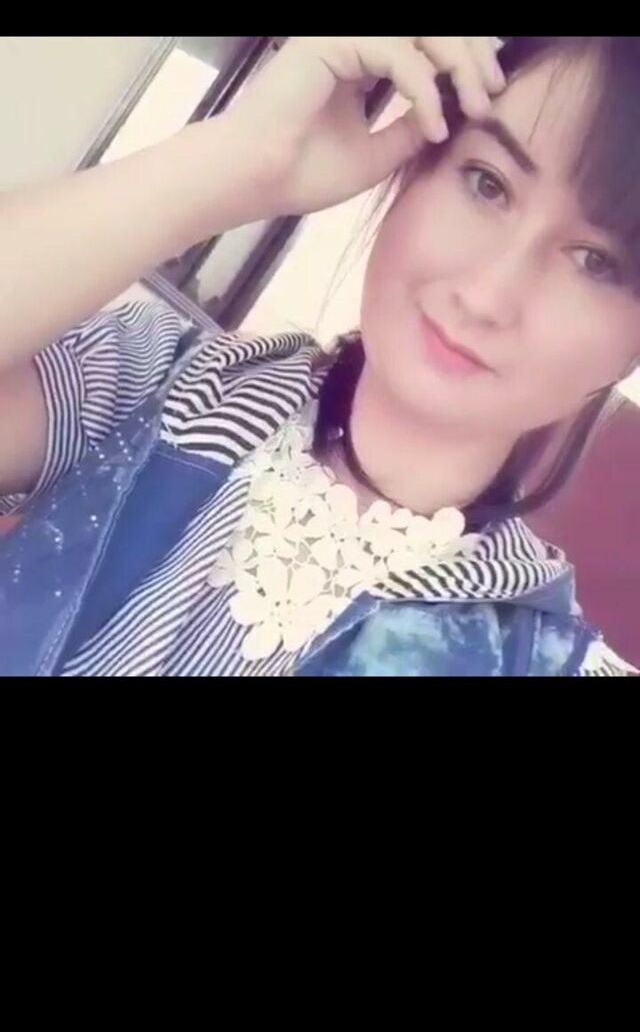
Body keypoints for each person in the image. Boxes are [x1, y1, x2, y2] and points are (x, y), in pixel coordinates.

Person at [0, 36, 637, 677]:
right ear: (416, 166)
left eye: (595, 262)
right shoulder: (162, 382)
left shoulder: (543, 663)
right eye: (487, 184)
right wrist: (232, 162)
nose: (485, 295)